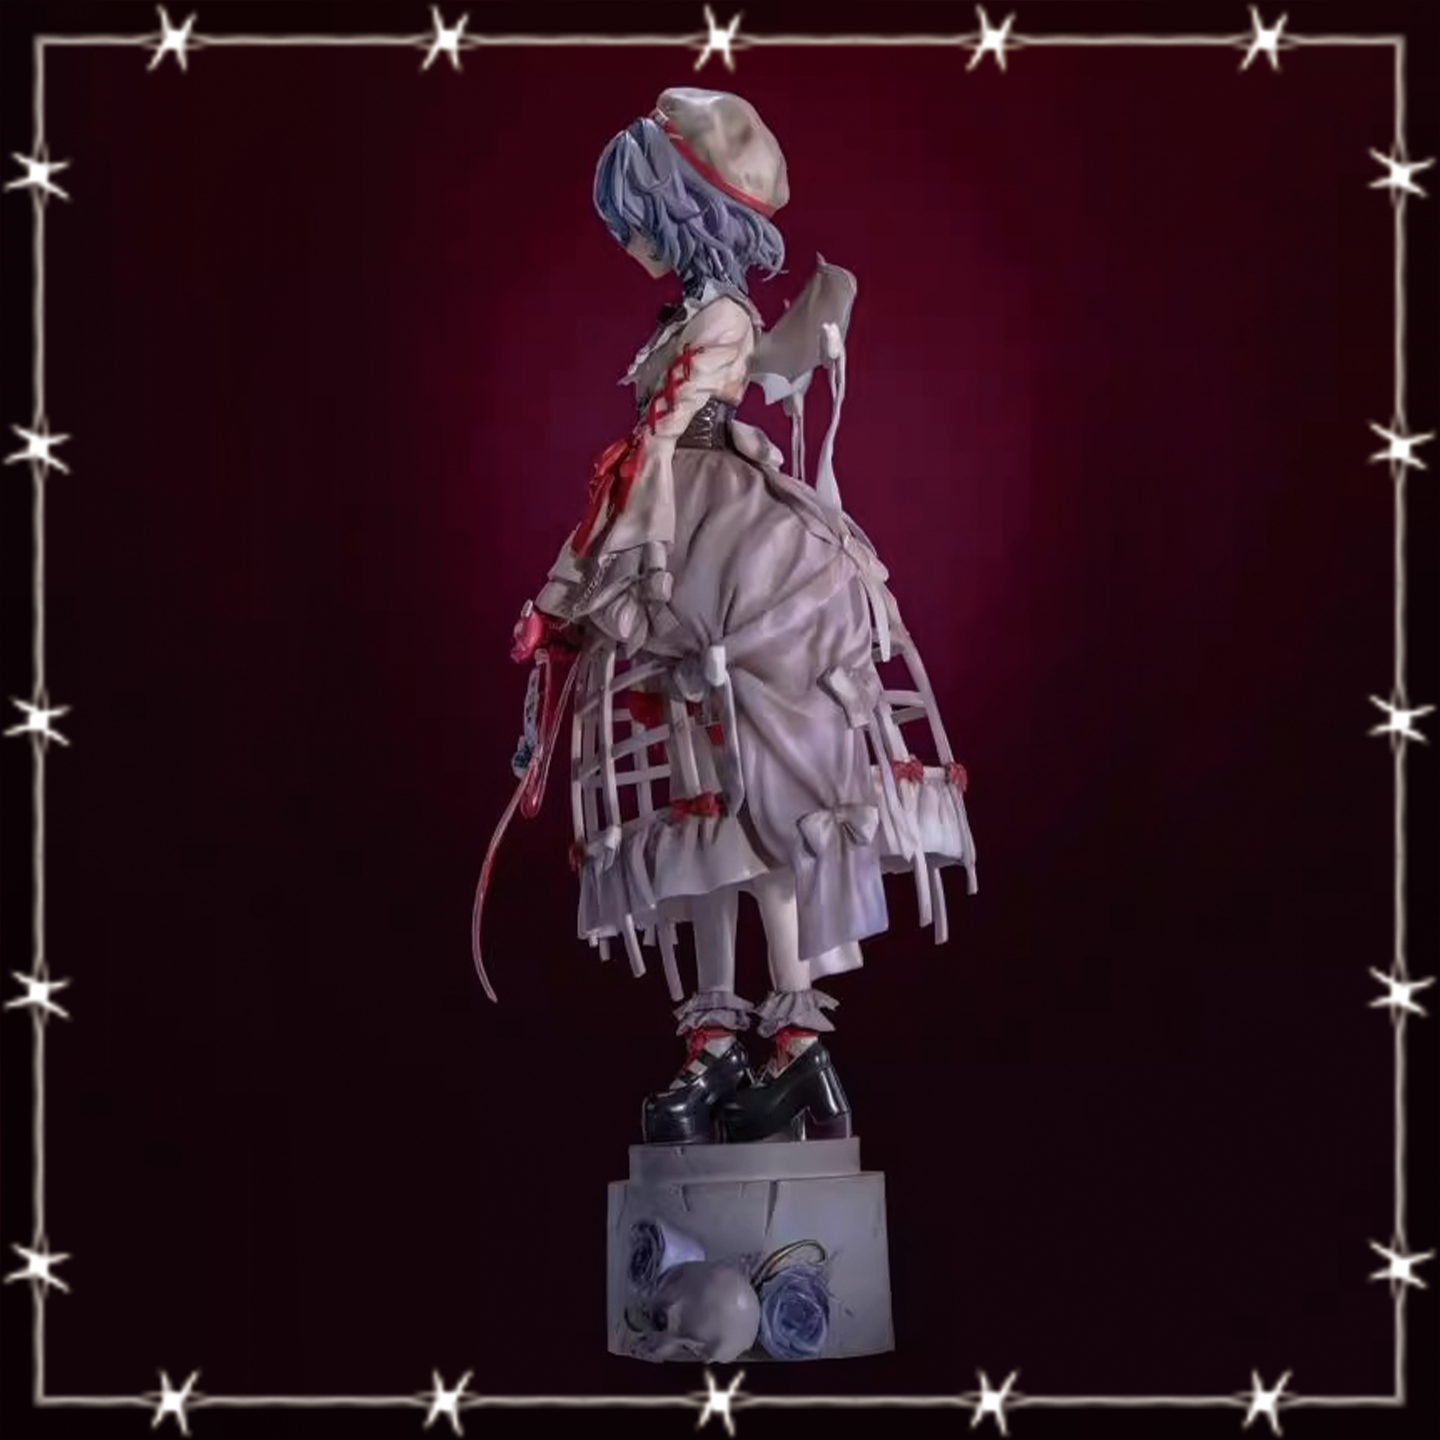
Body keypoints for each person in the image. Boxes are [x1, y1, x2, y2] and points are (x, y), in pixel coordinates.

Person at [493, 87, 977, 1146]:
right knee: (701, 791)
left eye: (637, 218)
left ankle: (796, 1041)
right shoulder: (685, 321)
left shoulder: (717, 322)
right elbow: (634, 471)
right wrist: (566, 594)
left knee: (762, 790)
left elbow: (646, 462)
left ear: (683, 212)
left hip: (720, 552)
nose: (627, 242)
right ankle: (719, 1041)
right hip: (690, 551)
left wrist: (566, 591)